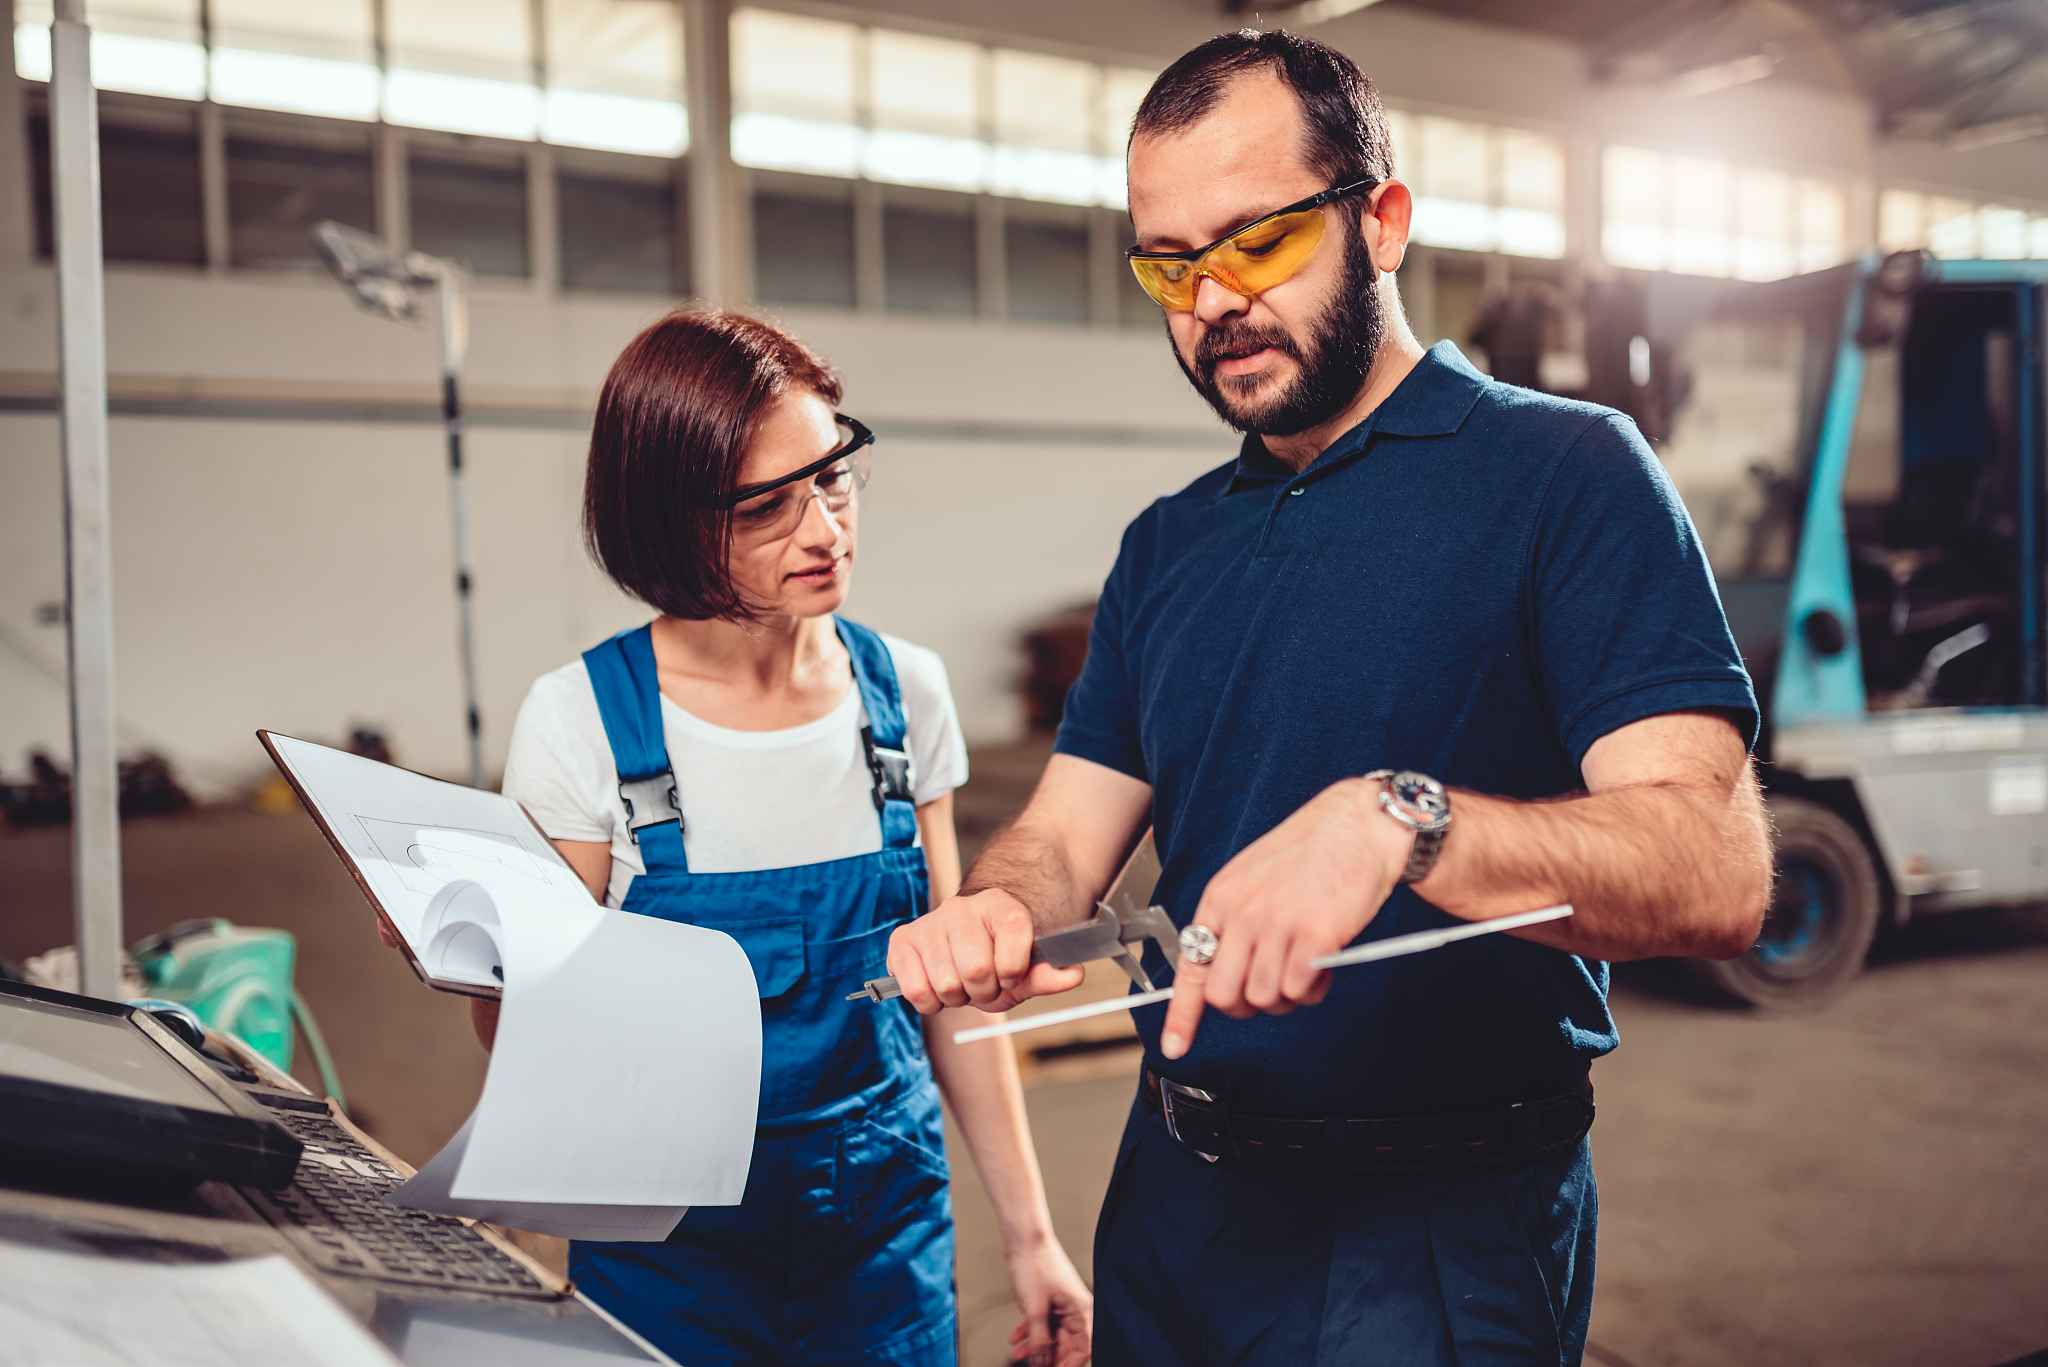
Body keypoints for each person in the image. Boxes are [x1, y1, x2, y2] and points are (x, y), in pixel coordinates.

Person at [884, 31, 1771, 1367]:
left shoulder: (1566, 475)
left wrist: (1403, 821)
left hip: (1430, 1228)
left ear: (1383, 221)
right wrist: (1002, 904)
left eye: (1257, 241)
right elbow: (1063, 834)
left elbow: (1714, 868)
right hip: (1171, 1197)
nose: (1212, 299)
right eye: (1169, 264)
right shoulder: (1166, 545)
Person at [492, 307, 1092, 1367]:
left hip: (883, 1251)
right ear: (670, 521)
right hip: (669, 1266)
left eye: (833, 477)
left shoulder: (903, 697)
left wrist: (1032, 1236)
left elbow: (951, 999)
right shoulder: (578, 721)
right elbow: (529, 1040)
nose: (824, 530)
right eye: (767, 506)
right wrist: (478, 958)